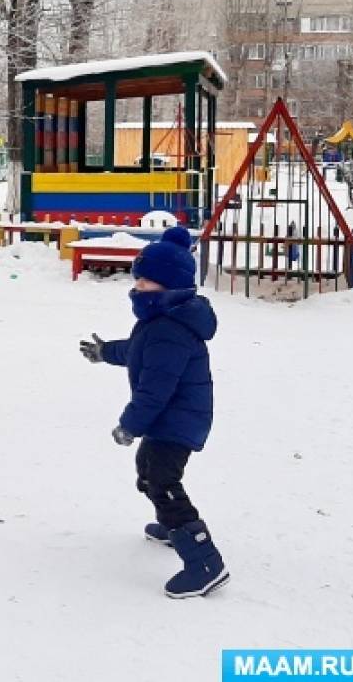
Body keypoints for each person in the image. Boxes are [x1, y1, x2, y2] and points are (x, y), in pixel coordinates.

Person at [79, 226, 229, 598]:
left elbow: (154, 390)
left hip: (176, 419)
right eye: (138, 279)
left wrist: (129, 425)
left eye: (146, 282)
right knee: (148, 472)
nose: (138, 287)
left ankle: (205, 562)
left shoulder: (168, 330)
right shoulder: (161, 322)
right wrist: (106, 352)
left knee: (161, 479)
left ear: (170, 285)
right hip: (172, 417)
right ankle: (172, 524)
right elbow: (137, 351)